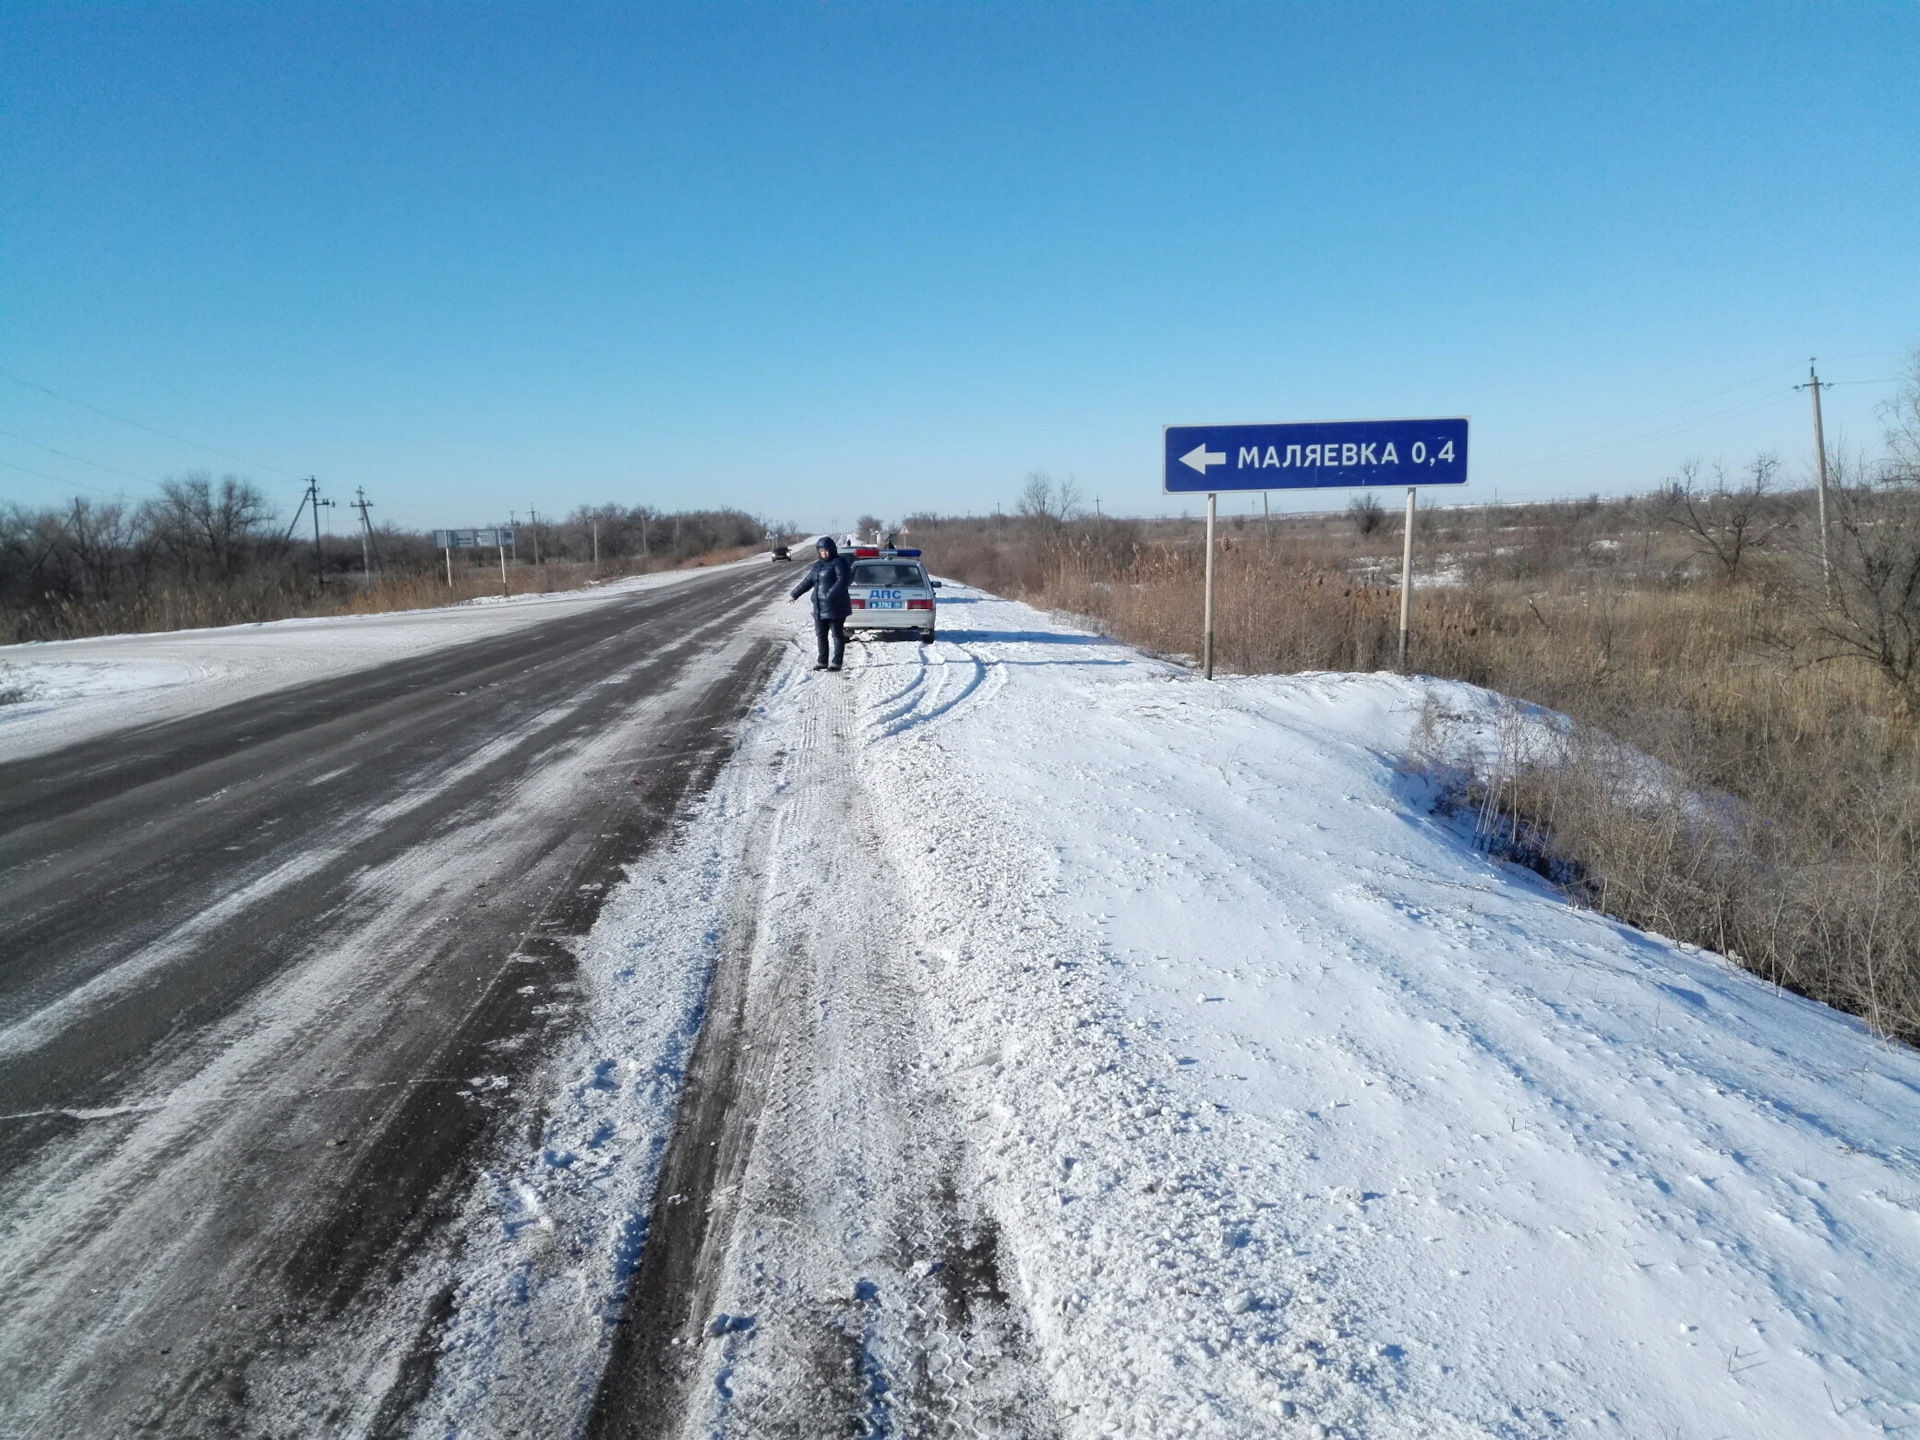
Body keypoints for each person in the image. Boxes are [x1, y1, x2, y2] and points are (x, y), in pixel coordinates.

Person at [789, 535, 853, 671]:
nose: (824, 553)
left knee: (837, 634)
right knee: (821, 635)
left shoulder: (839, 562)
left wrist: (830, 595)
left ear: (832, 550)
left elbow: (843, 581)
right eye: (821, 551)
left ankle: (836, 663)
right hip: (819, 607)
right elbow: (808, 581)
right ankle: (822, 661)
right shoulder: (817, 566)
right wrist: (795, 594)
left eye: (826, 551)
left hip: (836, 607)